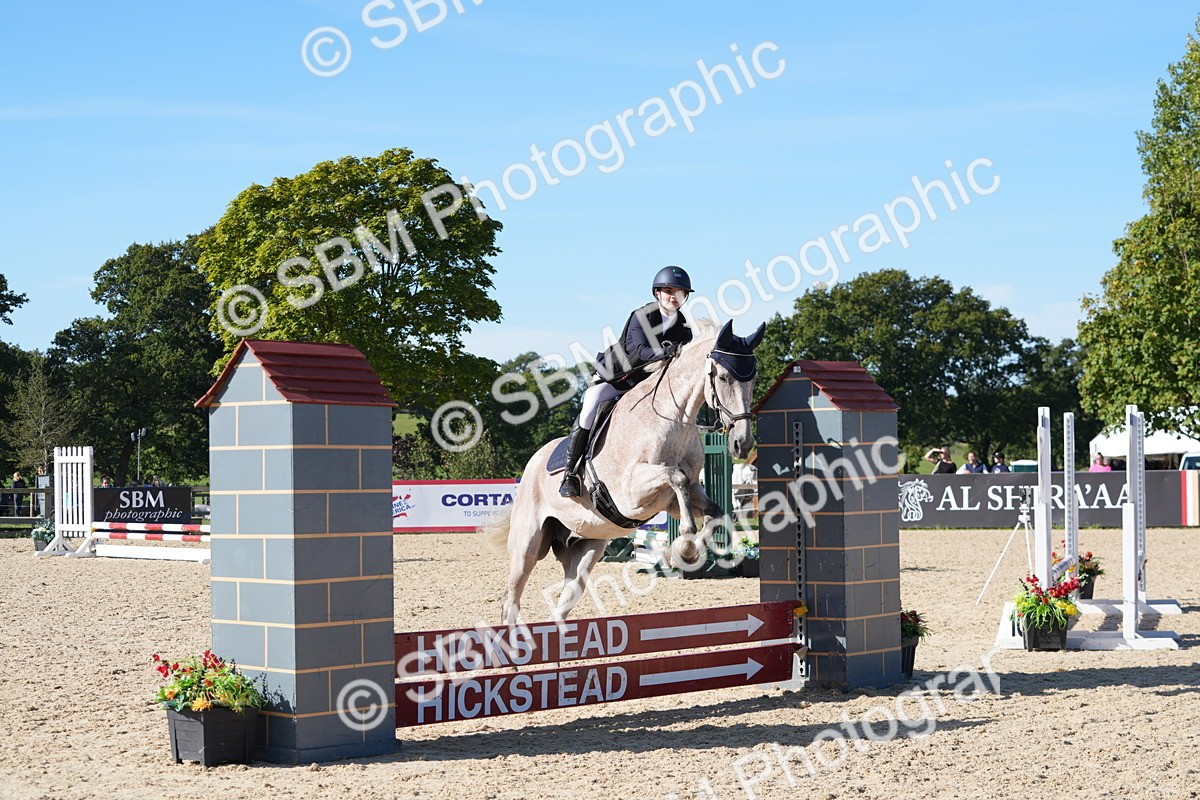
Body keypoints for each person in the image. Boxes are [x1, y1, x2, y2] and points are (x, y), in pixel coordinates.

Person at [560, 266, 695, 497]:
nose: (674, 296)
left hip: (645, 384)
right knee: (591, 404)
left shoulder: (684, 328)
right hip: (616, 376)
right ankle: (570, 474)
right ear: (657, 294)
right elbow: (640, 351)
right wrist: (666, 352)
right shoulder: (641, 316)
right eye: (668, 290)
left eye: (680, 292)